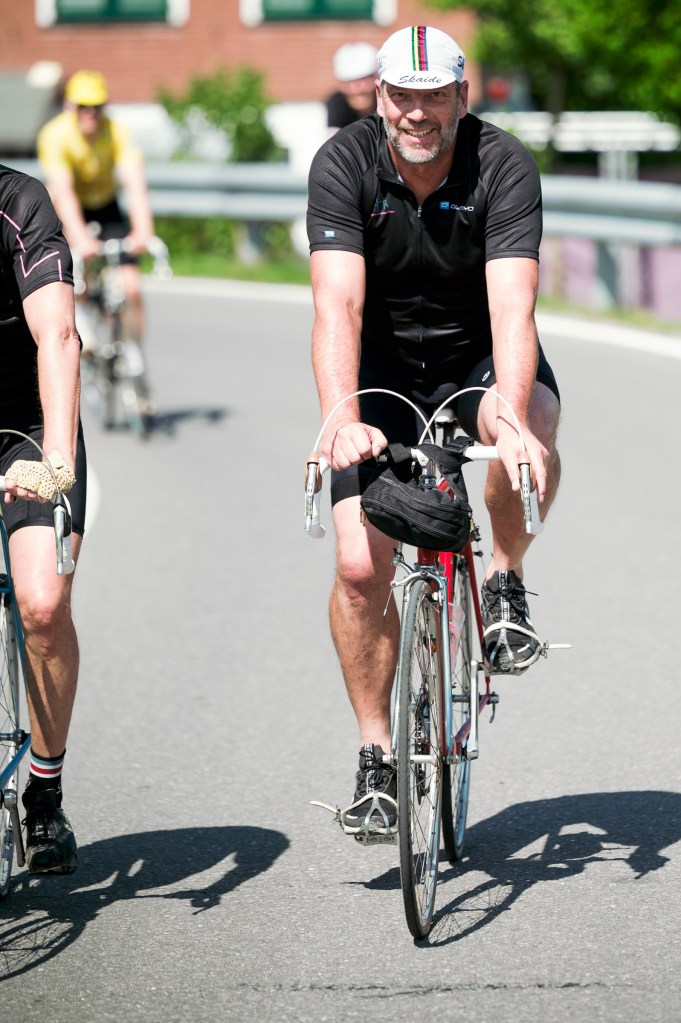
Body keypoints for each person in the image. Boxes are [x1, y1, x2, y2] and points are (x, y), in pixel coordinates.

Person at [307, 25, 561, 830]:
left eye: (435, 97)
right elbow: (336, 306)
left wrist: (509, 418)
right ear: (380, 97)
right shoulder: (343, 162)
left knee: (532, 421)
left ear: (460, 97)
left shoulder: (502, 163)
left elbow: (512, 306)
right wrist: (341, 417)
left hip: (474, 357)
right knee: (358, 566)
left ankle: (505, 578)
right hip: (379, 370)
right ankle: (375, 756)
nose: (417, 113)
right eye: (401, 96)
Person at [0, 161, 85, 874]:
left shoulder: (20, 201)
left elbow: (57, 335)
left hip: (27, 426)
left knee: (44, 604)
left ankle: (45, 792)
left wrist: (56, 454)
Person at [36, 69, 155, 350]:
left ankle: (135, 355)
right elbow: (63, 193)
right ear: (70, 106)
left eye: (97, 107)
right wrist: (81, 239)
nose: (90, 113)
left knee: (131, 287)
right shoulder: (54, 135)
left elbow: (135, 184)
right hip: (69, 209)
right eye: (83, 107)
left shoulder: (117, 133)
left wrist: (143, 230)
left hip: (105, 206)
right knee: (80, 278)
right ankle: (83, 331)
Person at [325, 42, 378, 131]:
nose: (356, 88)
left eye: (363, 78)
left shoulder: (390, 102)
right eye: (348, 81)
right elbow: (332, 135)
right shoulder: (337, 103)